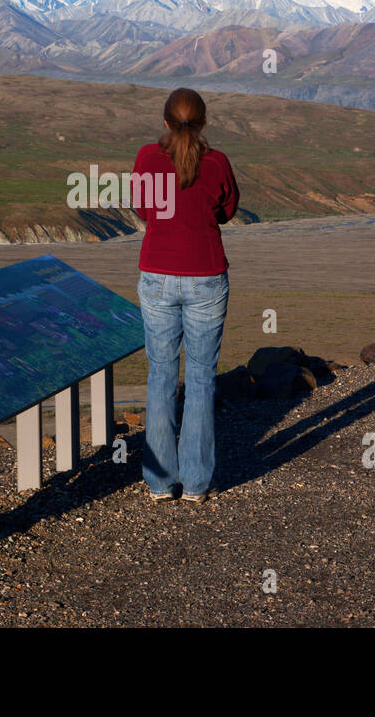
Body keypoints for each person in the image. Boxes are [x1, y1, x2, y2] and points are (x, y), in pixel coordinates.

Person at [131, 88, 239, 502]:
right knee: (200, 377)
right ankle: (195, 482)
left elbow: (142, 208)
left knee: (160, 374)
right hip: (206, 276)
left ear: (164, 122)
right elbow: (226, 210)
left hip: (157, 273)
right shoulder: (217, 163)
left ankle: (160, 482)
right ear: (204, 122)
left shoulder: (146, 158)